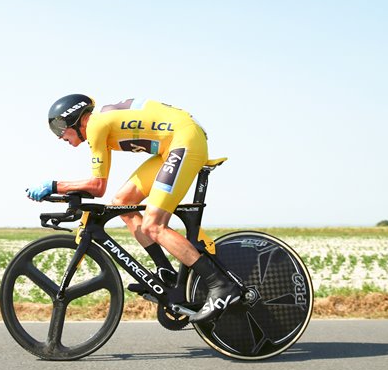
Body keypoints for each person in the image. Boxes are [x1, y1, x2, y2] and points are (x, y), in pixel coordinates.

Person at [27, 94, 240, 323]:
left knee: (153, 225)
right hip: (172, 145)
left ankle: (221, 285)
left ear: (76, 118)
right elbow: (100, 188)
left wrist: (53, 185)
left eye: (59, 127)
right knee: (121, 202)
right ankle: (165, 273)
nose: (59, 137)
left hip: (185, 140)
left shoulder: (96, 126)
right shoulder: (101, 126)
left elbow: (97, 187)